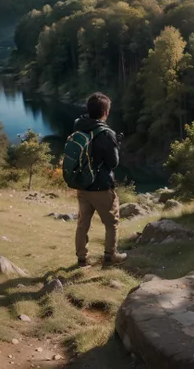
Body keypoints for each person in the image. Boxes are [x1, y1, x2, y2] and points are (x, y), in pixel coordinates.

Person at [74, 92, 127, 268]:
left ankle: (82, 259)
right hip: (101, 187)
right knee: (112, 223)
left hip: (82, 185)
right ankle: (110, 257)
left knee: (83, 223)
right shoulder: (106, 133)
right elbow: (113, 163)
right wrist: (115, 146)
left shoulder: (79, 126)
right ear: (105, 111)